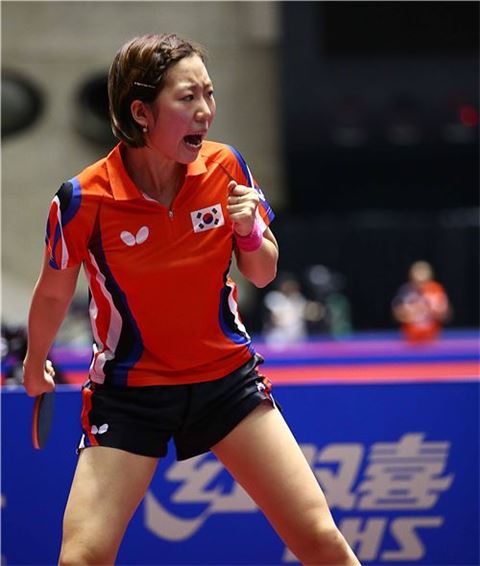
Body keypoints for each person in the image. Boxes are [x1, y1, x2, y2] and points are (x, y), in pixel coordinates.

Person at [23, 34, 360, 565]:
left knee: (320, 539)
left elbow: (263, 272)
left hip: (226, 383)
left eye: (209, 93)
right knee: (81, 558)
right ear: (141, 113)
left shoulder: (226, 167)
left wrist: (250, 231)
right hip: (129, 392)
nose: (205, 111)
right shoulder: (83, 199)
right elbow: (52, 293)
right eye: (187, 97)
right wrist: (34, 360)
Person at [392, 260, 451, 343]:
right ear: (411, 275)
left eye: (423, 272)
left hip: (433, 338)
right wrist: (411, 312)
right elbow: (396, 315)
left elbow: (446, 315)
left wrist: (434, 311)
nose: (420, 276)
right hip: (410, 338)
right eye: (418, 272)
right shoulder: (406, 290)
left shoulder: (437, 290)